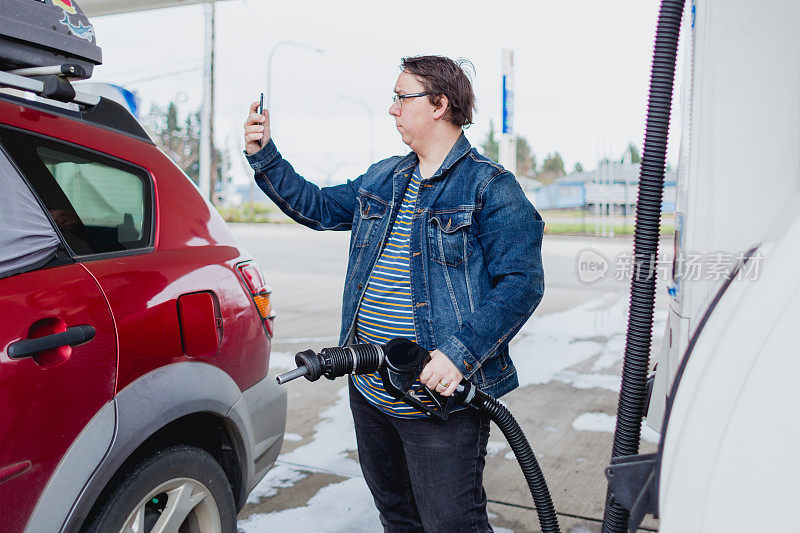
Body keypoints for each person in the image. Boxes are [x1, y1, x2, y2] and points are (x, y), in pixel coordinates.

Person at [243, 55, 544, 533]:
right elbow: (318, 207)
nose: (392, 109)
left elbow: (522, 284)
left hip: (438, 399)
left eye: (402, 98)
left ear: (440, 105)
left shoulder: (490, 187)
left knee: (451, 524)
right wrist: (265, 155)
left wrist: (456, 356)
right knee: (397, 517)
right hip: (370, 389)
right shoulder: (385, 176)